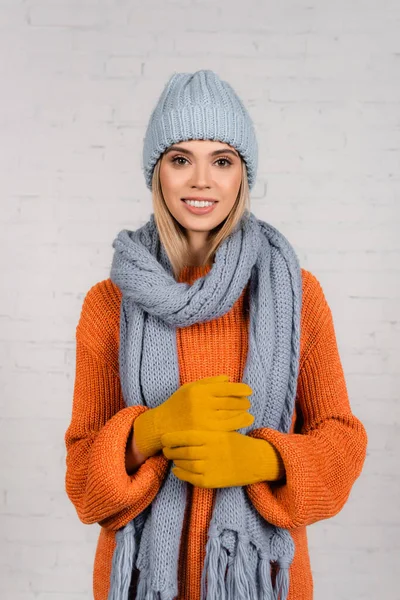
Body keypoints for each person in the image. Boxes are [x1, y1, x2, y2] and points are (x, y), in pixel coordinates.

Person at [64, 69, 368, 600]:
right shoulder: (109, 303)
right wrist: (152, 428)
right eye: (181, 159)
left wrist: (262, 461)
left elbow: (342, 445)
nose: (201, 180)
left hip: (266, 584)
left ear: (241, 176)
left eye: (221, 161)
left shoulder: (295, 294)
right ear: (156, 173)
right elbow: (85, 488)